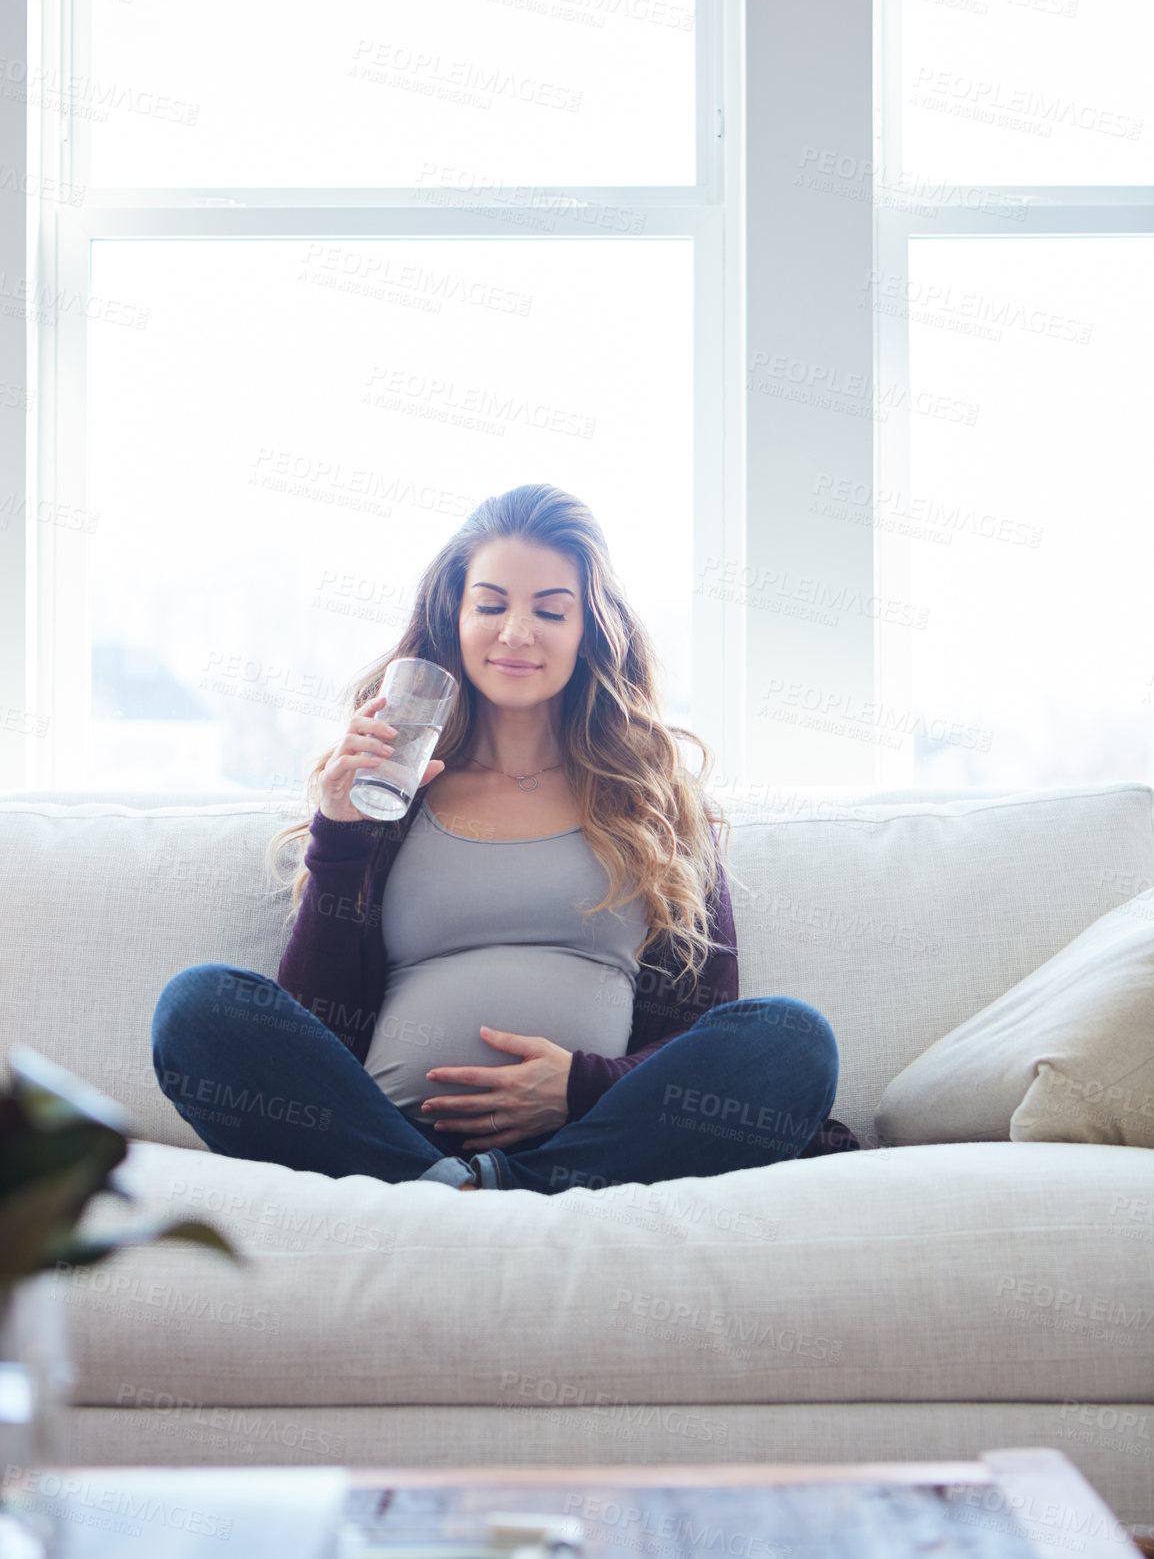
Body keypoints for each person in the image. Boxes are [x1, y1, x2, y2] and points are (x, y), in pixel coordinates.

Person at [152, 483, 858, 1193]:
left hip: (596, 1134)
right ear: (453, 617)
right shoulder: (389, 793)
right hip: (387, 1134)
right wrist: (340, 835)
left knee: (792, 1041)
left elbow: (700, 1024)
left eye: (550, 610)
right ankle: (459, 1184)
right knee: (197, 1006)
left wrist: (580, 1085)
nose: (516, 632)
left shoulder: (654, 800)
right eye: (490, 605)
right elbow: (318, 1030)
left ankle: (485, 1187)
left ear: (589, 630)